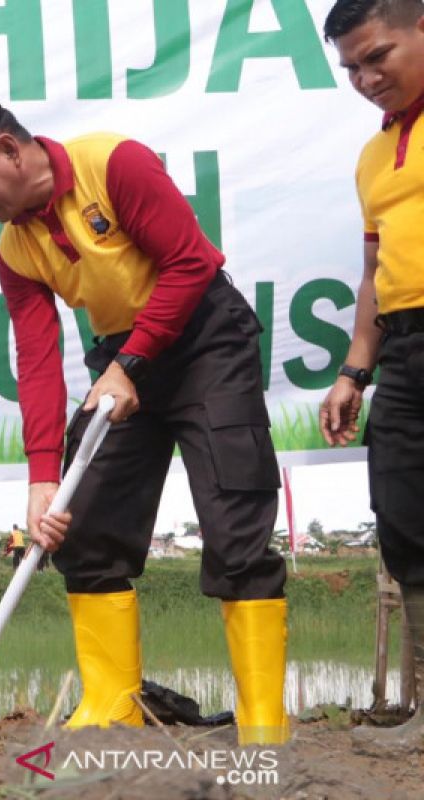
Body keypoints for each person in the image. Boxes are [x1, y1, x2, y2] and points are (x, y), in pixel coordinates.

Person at [0, 89, 288, 745]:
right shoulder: (14, 249)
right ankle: (112, 707)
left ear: (7, 148)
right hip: (122, 359)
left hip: (205, 344)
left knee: (234, 525)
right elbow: (36, 360)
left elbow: (193, 262)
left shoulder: (114, 164)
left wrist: (134, 362)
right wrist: (40, 478)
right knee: (81, 524)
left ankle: (264, 723)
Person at [319, 0, 424, 753]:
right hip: (407, 352)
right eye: (352, 67)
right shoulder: (371, 156)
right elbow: (372, 274)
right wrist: (355, 370)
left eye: (378, 55)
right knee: (405, 520)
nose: (365, 77)